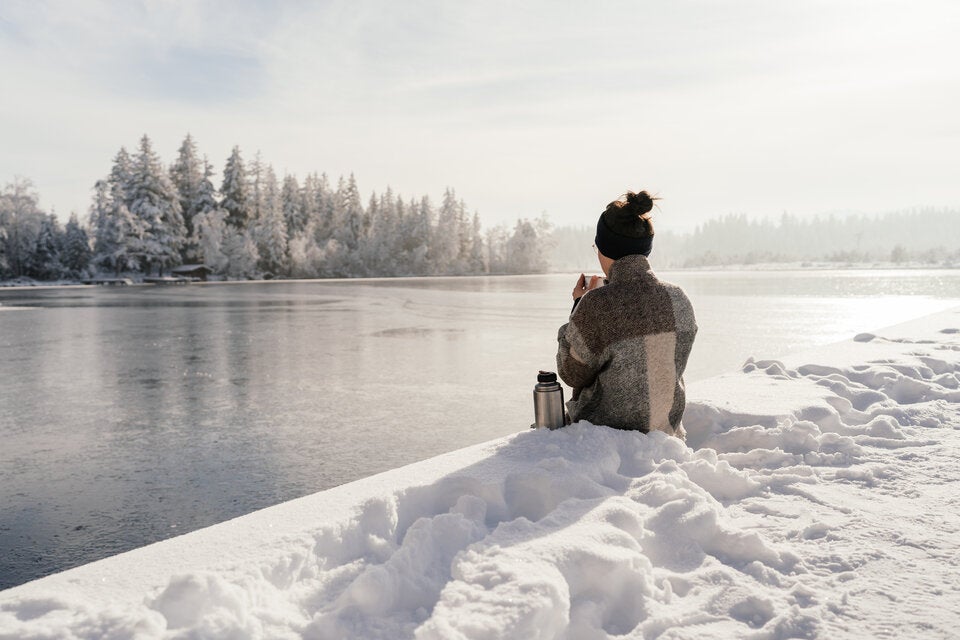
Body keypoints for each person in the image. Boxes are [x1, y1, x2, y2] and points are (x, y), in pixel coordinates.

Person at [556, 189, 697, 438]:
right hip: (665, 434)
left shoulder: (597, 305)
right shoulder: (679, 298)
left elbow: (571, 373)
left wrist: (579, 307)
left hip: (609, 440)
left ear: (604, 248)